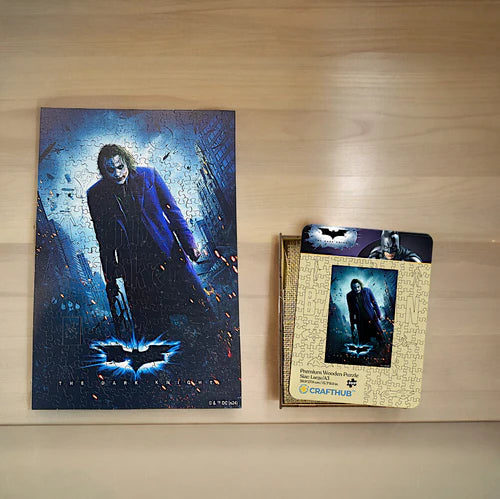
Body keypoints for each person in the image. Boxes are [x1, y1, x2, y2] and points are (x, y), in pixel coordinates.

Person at [87, 144, 210, 340]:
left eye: (120, 167)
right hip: (136, 271)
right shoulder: (95, 194)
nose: (117, 174)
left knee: (200, 314)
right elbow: (104, 241)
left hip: (168, 256)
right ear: (103, 170)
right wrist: (110, 280)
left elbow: (173, 211)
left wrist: (189, 244)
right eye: (110, 170)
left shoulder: (149, 175)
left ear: (127, 162)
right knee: (155, 332)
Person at [346, 279, 384, 345]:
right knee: (365, 343)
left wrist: (379, 314)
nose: (357, 289)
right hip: (361, 322)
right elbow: (351, 311)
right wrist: (353, 324)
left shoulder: (367, 291)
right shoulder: (350, 296)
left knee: (380, 338)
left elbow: (374, 303)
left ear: (360, 285)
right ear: (352, 288)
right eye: (354, 287)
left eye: (358, 287)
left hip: (372, 318)